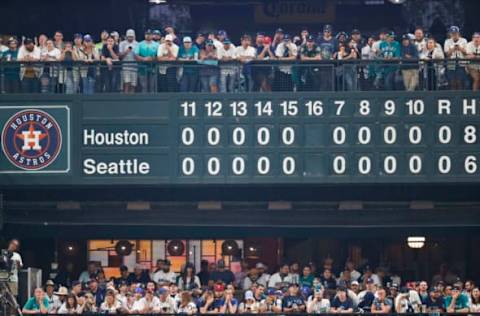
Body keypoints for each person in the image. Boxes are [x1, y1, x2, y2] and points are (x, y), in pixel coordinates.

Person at [444, 26, 468, 90]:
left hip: (461, 62)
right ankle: (453, 97)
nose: (454, 35)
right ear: (450, 34)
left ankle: (460, 96)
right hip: (451, 62)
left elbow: (466, 53)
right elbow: (447, 54)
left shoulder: (464, 40)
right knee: (452, 81)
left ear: (458, 33)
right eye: (452, 33)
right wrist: (453, 48)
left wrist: (459, 48)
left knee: (460, 81)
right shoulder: (447, 41)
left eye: (455, 33)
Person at [119, 29, 138, 93]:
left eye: (131, 36)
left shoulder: (137, 44)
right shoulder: (122, 43)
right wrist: (127, 51)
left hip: (134, 67)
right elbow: (120, 56)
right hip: (125, 67)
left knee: (133, 84)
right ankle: (125, 99)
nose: (130, 38)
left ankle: (132, 100)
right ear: (126, 36)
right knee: (127, 83)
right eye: (129, 36)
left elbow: (138, 55)